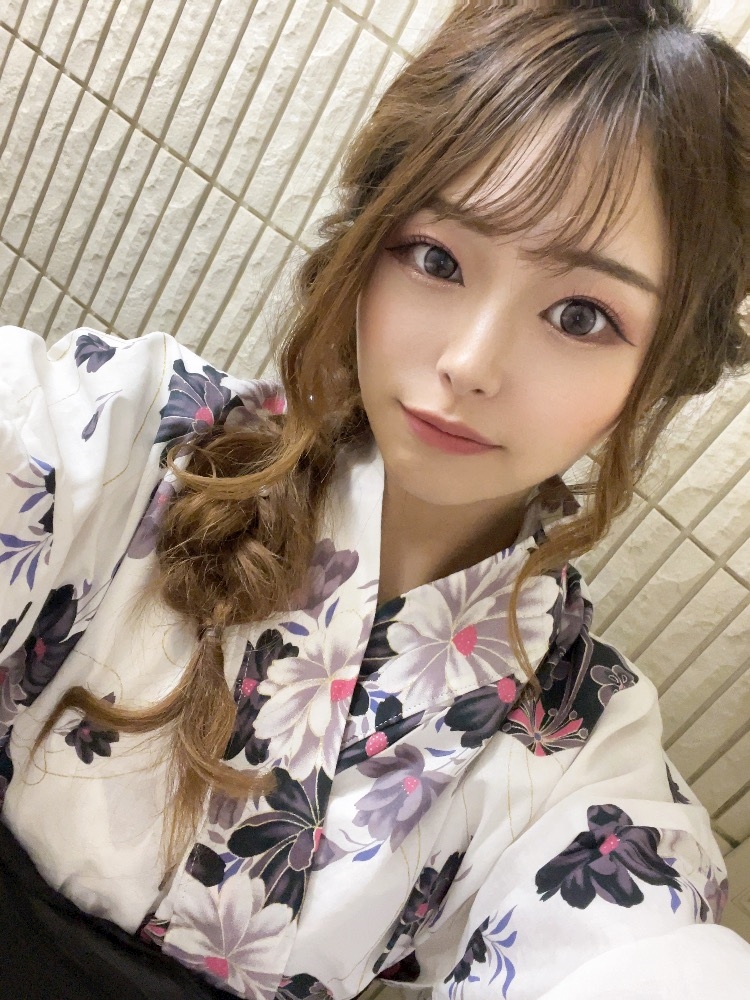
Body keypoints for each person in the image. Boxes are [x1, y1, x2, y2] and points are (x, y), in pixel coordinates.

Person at [0, 0, 749, 997]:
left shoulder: (578, 748)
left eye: (581, 315)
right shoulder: (133, 441)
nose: (471, 361)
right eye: (437, 258)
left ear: (661, 372)